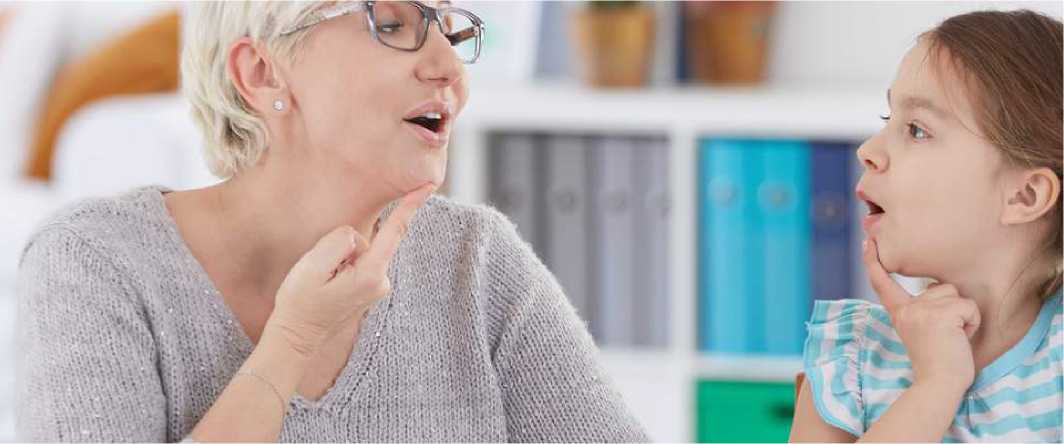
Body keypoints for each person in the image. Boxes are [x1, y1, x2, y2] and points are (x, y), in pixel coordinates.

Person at [16, 1, 647, 441]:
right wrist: (292, 341)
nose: (450, 71)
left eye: (450, 33)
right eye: (392, 24)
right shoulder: (94, 266)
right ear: (261, 73)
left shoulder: (474, 259)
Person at [790, 9, 1062, 442]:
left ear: (1024, 196)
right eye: (888, 120)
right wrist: (936, 385)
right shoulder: (851, 361)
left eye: (917, 130)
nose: (868, 150)